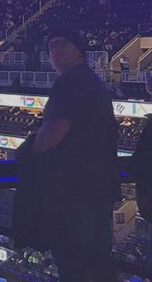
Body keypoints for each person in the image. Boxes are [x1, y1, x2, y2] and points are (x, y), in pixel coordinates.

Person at [32, 30, 119, 282]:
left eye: (62, 43)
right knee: (97, 264)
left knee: (74, 265)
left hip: (75, 191)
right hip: (97, 188)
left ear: (80, 51)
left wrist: (28, 154)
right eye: (51, 46)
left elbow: (53, 133)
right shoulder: (91, 81)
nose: (54, 50)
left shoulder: (71, 81)